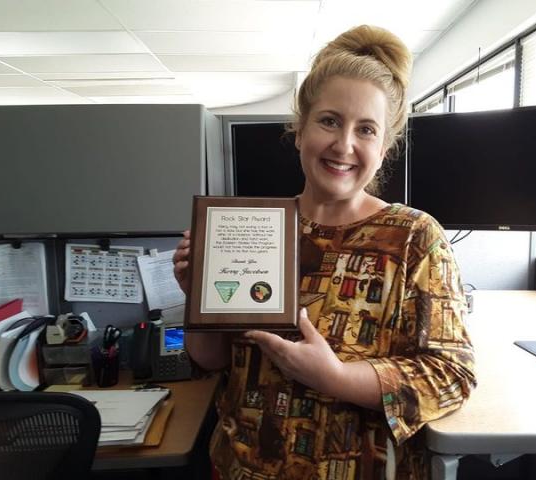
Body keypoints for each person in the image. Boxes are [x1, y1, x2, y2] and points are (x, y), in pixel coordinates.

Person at [173, 25, 476, 480]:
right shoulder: (250, 228)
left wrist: (335, 377)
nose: (343, 144)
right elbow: (213, 360)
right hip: (242, 467)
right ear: (299, 130)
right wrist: (198, 298)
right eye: (329, 120)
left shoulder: (414, 237)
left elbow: (451, 376)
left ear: (383, 147)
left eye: (366, 130)